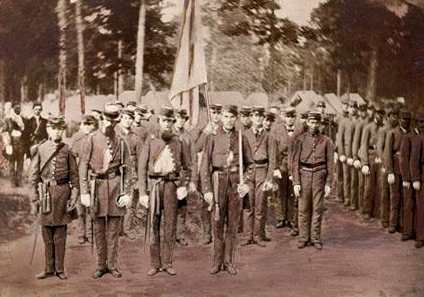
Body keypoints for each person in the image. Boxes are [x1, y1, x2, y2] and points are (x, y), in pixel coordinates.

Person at [79, 104, 133, 279]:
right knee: (98, 229)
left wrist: (127, 192)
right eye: (107, 119)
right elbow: (83, 166)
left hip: (116, 186)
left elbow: (128, 169)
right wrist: (84, 191)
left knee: (113, 230)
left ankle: (112, 265)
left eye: (113, 120)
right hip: (97, 187)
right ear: (102, 119)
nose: (110, 123)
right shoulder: (92, 139)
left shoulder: (122, 141)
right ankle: (100, 265)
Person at [138, 106, 192, 276]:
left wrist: (183, 185)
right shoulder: (151, 140)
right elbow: (141, 168)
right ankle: (155, 263)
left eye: (170, 121)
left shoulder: (178, 141)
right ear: (159, 121)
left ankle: (168, 262)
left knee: (170, 225)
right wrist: (142, 193)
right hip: (154, 186)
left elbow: (187, 166)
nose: (167, 124)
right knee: (154, 224)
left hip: (171, 186)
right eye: (164, 120)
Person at [201, 104, 253, 275]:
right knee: (217, 223)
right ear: (221, 118)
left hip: (235, 185)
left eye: (232, 117)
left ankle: (229, 261)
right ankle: (217, 261)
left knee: (232, 225)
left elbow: (250, 165)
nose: (229, 120)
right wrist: (207, 190)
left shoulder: (241, 138)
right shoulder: (213, 138)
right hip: (217, 182)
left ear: (236, 118)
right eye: (226, 117)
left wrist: (246, 183)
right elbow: (204, 166)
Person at [30, 115, 79, 280]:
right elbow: (33, 177)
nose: (57, 131)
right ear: (48, 129)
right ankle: (48, 268)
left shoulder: (67, 150)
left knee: (60, 234)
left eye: (59, 128)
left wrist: (74, 196)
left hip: (63, 194)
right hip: (45, 194)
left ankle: (60, 269)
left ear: (62, 130)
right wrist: (35, 198)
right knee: (46, 234)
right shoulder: (41, 149)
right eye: (53, 128)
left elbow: (75, 177)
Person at [292, 111, 334, 250]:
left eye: (316, 122)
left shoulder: (326, 141)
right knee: (303, 209)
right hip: (304, 176)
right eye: (311, 122)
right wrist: (296, 183)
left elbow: (330, 164)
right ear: (307, 122)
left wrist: (328, 183)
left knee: (317, 208)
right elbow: (295, 163)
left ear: (320, 124)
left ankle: (315, 238)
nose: (314, 125)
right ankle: (303, 238)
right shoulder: (299, 140)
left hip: (319, 177)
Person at [241, 106, 276, 247]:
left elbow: (273, 160)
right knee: (248, 204)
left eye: (260, 116)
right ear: (251, 117)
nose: (258, 118)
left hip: (262, 170)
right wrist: (242, 177)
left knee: (260, 204)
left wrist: (269, 179)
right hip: (249, 171)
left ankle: (258, 235)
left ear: (263, 118)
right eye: (255, 116)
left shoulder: (270, 136)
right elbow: (242, 157)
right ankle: (247, 236)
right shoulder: (244, 135)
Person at [195, 103, 222, 245]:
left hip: (219, 170)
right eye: (213, 112)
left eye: (218, 112)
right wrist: (205, 133)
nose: (216, 115)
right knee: (205, 203)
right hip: (205, 169)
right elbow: (196, 148)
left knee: (219, 202)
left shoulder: (224, 130)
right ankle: (206, 233)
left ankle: (217, 231)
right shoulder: (203, 129)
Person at [384, 110, 414, 234]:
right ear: (399, 120)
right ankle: (393, 223)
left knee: (406, 198)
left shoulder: (412, 134)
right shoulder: (392, 133)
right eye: (403, 119)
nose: (405, 121)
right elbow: (387, 153)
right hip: (396, 168)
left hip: (408, 170)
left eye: (407, 119)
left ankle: (403, 225)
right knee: (394, 196)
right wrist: (390, 171)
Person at [172, 108, 198, 247]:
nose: (181, 121)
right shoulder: (167, 134)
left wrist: (193, 180)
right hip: (168, 176)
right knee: (167, 206)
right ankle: (168, 235)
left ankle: (180, 234)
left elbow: (193, 159)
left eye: (183, 118)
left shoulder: (188, 137)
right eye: (178, 118)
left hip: (182, 176)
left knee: (181, 206)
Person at [71, 115, 98, 244]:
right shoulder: (76, 140)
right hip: (79, 175)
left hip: (92, 175)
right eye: (84, 124)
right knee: (80, 207)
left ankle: (90, 232)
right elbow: (73, 159)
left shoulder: (98, 139)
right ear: (80, 125)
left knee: (92, 206)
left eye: (90, 124)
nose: (87, 127)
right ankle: (81, 233)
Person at [399, 112, 423, 242]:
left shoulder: (421, 136)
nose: (422, 125)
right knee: (408, 204)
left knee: (420, 206)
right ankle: (407, 232)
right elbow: (404, 158)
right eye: (420, 122)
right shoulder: (409, 137)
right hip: (409, 176)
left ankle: (417, 233)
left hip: (419, 176)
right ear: (416, 123)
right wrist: (407, 178)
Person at [359, 106, 385, 220]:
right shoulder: (368, 127)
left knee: (380, 186)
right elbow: (364, 145)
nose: (379, 116)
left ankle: (377, 211)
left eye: (381, 114)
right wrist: (364, 163)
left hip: (380, 157)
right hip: (369, 157)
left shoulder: (384, 128)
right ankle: (366, 210)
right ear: (374, 114)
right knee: (369, 185)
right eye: (378, 113)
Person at [409, 112, 424, 248]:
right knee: (421, 208)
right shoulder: (418, 140)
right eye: (421, 122)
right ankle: (420, 237)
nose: (423, 125)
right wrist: (415, 179)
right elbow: (414, 161)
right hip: (422, 179)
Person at [4, 104, 28, 187]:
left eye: (19, 107)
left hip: (21, 145)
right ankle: (12, 182)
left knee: (20, 164)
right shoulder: (8, 120)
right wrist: (7, 143)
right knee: (11, 164)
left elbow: (26, 133)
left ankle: (19, 181)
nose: (18, 109)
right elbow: (4, 131)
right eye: (16, 107)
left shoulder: (24, 119)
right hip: (12, 145)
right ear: (13, 108)